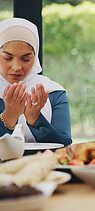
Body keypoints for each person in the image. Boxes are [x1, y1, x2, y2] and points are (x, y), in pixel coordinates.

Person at [0, 18, 71, 146]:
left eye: (26, 59)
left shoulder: (53, 92)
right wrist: (9, 116)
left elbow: (65, 147)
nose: (17, 67)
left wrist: (35, 118)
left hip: (43, 165)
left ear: (35, 56)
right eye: (8, 58)